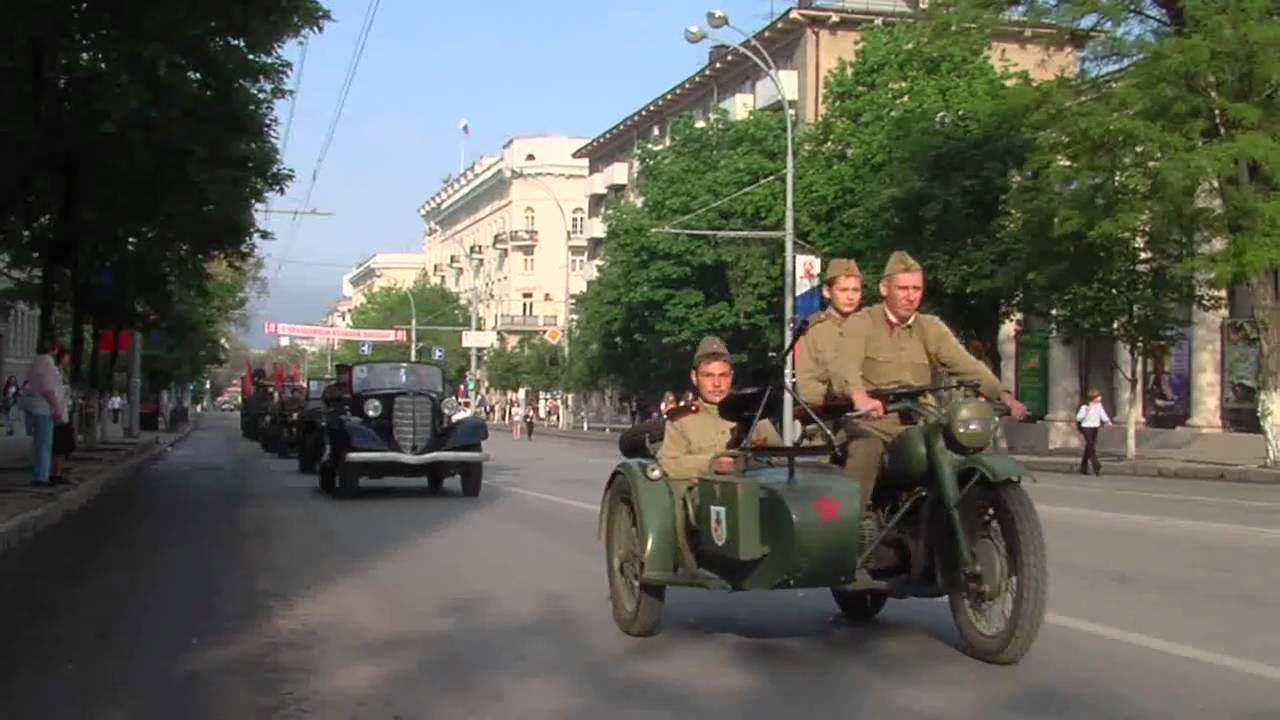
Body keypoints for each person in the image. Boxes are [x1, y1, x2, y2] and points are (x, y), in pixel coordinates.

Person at [834, 251, 1027, 541]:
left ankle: (972, 521)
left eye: (916, 289)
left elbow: (966, 365)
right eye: (903, 289)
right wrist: (859, 396)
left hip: (923, 420)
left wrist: (1003, 395)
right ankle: (848, 535)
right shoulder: (862, 323)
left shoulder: (930, 326)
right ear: (885, 288)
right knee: (866, 450)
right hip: (876, 422)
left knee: (966, 449)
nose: (910, 296)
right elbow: (845, 367)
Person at [656, 335, 782, 573]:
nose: (716, 384)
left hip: (757, 487)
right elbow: (669, 463)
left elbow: (779, 454)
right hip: (709, 493)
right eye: (708, 376)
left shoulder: (753, 414)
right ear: (695, 378)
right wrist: (711, 465)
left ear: (731, 377)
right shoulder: (682, 420)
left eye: (723, 376)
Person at [795, 258, 864, 407]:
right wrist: (839, 400)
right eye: (843, 290)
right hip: (834, 415)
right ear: (827, 292)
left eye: (855, 290)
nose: (850, 297)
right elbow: (806, 385)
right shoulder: (812, 330)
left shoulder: (870, 325)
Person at [24, 337, 64, 487]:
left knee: (41, 442)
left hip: (39, 406)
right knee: (45, 443)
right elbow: (48, 389)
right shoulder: (47, 362)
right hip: (45, 408)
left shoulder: (37, 361)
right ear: (53, 348)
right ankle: (41, 477)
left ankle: (40, 474)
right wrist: (57, 408)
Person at [49, 347, 75, 484]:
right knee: (59, 446)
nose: (68, 360)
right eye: (67, 357)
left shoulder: (60, 372)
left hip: (62, 412)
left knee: (63, 446)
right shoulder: (54, 372)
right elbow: (55, 392)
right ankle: (55, 474)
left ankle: (57, 473)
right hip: (58, 413)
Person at [1075, 388, 1112, 476]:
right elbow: (1078, 418)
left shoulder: (1099, 405)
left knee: (1089, 446)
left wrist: (1107, 421)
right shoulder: (1085, 407)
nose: (1100, 398)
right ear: (1093, 398)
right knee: (1091, 446)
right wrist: (1086, 412)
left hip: (1095, 427)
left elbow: (1102, 414)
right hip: (1086, 427)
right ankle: (1096, 465)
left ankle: (1083, 467)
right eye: (1098, 396)